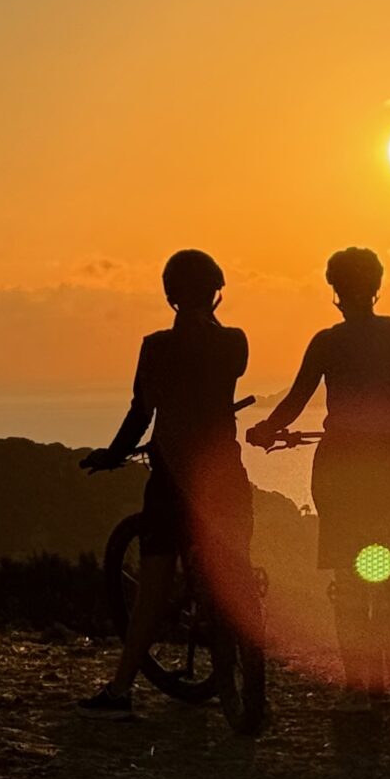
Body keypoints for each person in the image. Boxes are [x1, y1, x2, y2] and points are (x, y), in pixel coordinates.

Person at [247, 247, 390, 722]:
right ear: (377, 287)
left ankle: (358, 685)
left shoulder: (325, 343)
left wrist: (264, 433)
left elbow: (293, 405)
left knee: (348, 578)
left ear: (335, 292)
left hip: (341, 470)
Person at [78, 249, 264, 730]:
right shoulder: (237, 344)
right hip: (226, 475)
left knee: (153, 588)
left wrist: (113, 454)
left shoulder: (156, 347)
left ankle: (121, 689)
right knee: (237, 564)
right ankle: (251, 672)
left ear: (169, 295)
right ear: (217, 290)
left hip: (173, 479)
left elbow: (142, 411)